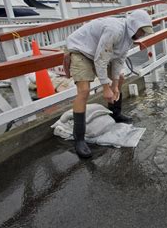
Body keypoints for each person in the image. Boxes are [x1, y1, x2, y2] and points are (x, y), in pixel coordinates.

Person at [64, 10, 153, 158]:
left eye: (144, 31)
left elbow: (119, 60)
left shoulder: (129, 38)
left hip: (98, 52)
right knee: (84, 91)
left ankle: (115, 114)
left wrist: (115, 85)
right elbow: (100, 59)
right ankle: (79, 138)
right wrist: (106, 88)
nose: (143, 34)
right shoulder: (115, 29)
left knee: (120, 78)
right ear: (134, 25)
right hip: (80, 50)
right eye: (141, 30)